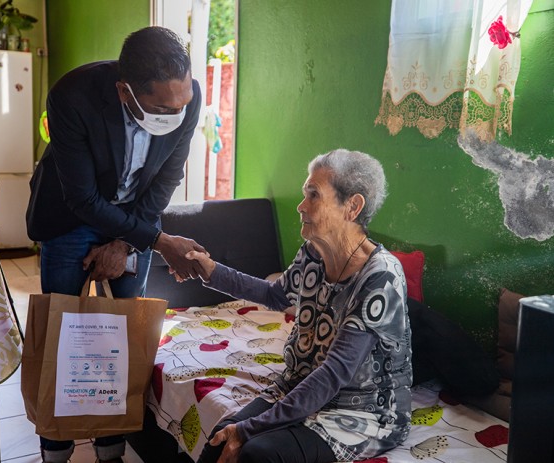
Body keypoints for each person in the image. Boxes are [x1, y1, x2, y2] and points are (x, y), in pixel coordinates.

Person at [26, 26, 205, 463]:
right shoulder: (73, 95)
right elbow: (82, 197)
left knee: (124, 337)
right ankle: (56, 446)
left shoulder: (188, 97)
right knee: (62, 334)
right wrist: (159, 242)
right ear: (126, 91)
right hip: (70, 218)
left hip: (137, 221)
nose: (176, 113)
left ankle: (111, 447)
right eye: (164, 107)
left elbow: (167, 178)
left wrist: (128, 242)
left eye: (181, 104)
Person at [181, 149, 413, 463]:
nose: (301, 206)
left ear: (352, 207)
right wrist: (211, 270)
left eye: (314, 195)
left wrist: (250, 429)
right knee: (220, 438)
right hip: (299, 386)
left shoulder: (380, 277)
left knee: (258, 454)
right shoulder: (314, 252)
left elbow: (334, 374)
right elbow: (276, 295)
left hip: (362, 413)